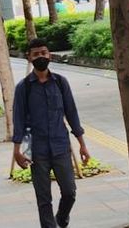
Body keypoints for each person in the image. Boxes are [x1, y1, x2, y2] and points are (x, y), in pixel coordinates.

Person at [13, 38, 90, 228]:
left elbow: (71, 113)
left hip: (60, 146)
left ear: (50, 55)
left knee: (70, 191)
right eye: (36, 54)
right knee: (43, 198)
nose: (41, 57)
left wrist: (82, 144)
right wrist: (17, 151)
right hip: (36, 149)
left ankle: (62, 218)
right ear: (29, 58)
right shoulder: (24, 88)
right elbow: (19, 120)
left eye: (44, 53)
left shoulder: (60, 83)